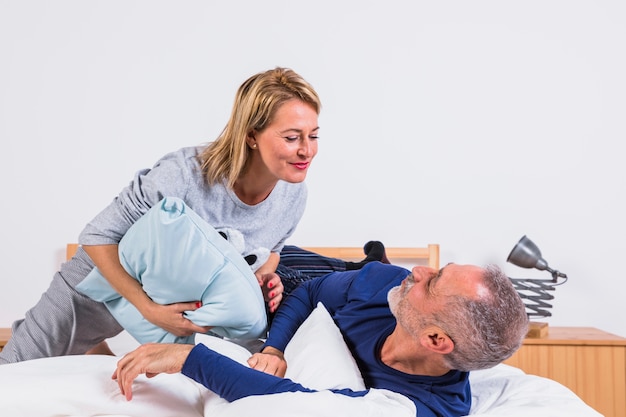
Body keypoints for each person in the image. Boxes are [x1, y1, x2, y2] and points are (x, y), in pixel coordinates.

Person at [0, 67, 322, 364]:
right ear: (251, 135)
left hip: (167, 313)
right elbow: (96, 238)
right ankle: (89, 347)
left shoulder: (293, 197)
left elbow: (271, 252)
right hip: (97, 286)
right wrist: (148, 309)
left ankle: (94, 355)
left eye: (314, 135)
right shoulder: (184, 174)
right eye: (292, 137)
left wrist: (262, 282)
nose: (307, 150)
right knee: (11, 372)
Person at [112, 261, 529, 417]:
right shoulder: (386, 281)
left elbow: (298, 403)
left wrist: (188, 360)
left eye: (432, 282)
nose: (418, 269)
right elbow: (311, 292)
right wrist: (274, 347)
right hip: (298, 276)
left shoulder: (421, 407)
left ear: (436, 339)